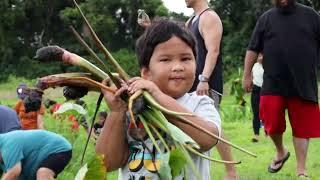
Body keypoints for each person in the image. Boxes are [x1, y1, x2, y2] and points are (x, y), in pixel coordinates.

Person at [96, 20, 221, 179]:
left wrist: (158, 96)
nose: (178, 67)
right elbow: (107, 163)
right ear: (146, 72)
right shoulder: (131, 108)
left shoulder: (199, 103)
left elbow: (207, 140)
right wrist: (116, 110)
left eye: (185, 59)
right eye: (166, 60)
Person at [243, 0, 320, 178]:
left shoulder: (311, 16)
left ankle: (301, 170)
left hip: (303, 83)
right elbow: (252, 48)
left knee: (302, 128)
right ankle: (281, 151)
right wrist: (246, 75)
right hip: (273, 82)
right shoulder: (266, 19)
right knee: (271, 121)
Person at [185, 0, 238, 179]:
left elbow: (213, 51)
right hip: (193, 85)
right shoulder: (192, 20)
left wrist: (204, 79)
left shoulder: (209, 17)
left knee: (212, 126)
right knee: (198, 127)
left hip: (206, 84)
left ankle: (231, 172)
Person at [0, 130, 72, 180]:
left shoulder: (8, 143)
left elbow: (14, 172)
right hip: (40, 157)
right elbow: (9, 175)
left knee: (43, 174)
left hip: (58, 148)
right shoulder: (4, 160)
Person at [250, 53, 264, 142]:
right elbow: (251, 76)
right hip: (255, 89)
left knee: (266, 112)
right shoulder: (254, 66)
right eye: (258, 56)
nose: (260, 58)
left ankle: (268, 132)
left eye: (261, 56)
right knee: (256, 113)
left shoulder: (269, 66)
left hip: (266, 89)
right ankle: (256, 135)